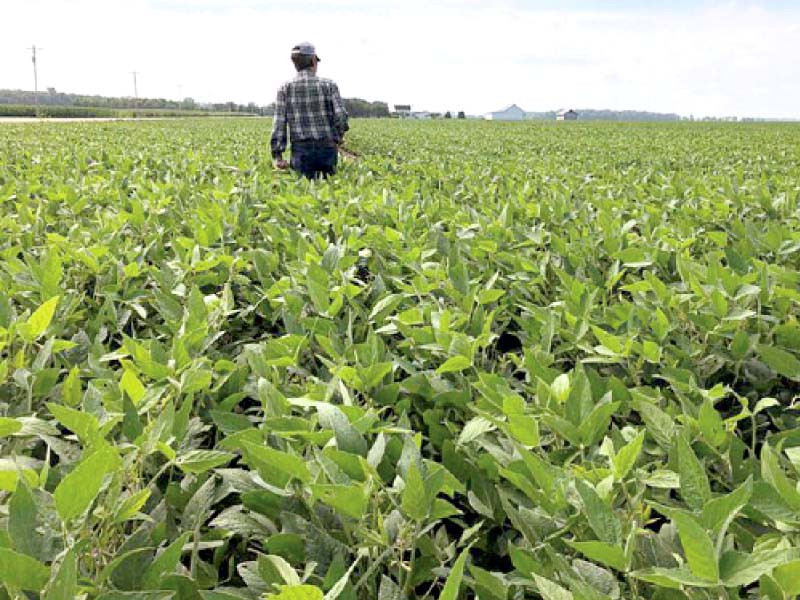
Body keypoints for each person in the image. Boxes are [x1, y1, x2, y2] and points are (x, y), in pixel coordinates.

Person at [270, 42, 349, 179]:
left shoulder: (285, 88)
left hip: (301, 151)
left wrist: (278, 155)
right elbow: (341, 116)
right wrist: (339, 136)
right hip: (327, 148)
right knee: (329, 191)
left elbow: (279, 124)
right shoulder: (329, 85)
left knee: (303, 193)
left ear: (295, 64)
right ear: (313, 61)